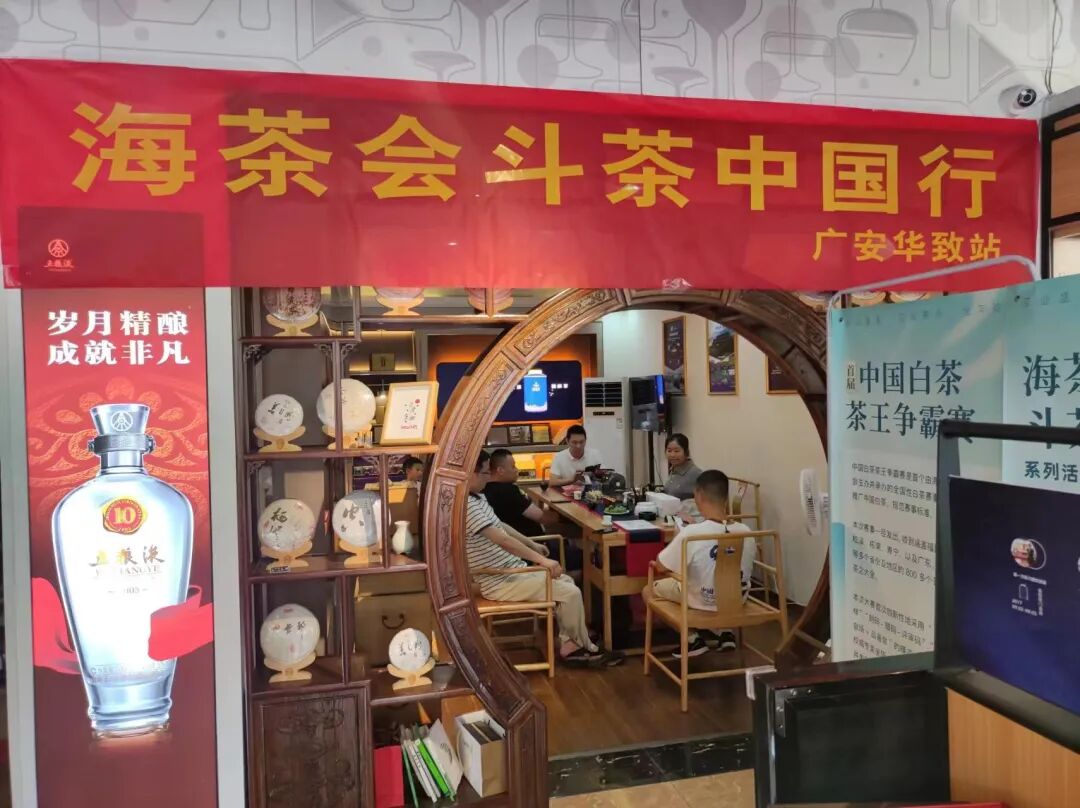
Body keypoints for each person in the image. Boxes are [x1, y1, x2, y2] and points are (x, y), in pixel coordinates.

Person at [467, 450, 618, 666]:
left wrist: (532, 544)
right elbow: (503, 540)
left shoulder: (478, 498)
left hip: (510, 570)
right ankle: (575, 647)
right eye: (484, 473)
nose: (487, 477)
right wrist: (543, 560)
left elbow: (502, 526)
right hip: (499, 579)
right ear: (471, 474)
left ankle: (573, 641)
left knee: (566, 581)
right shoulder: (468, 506)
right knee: (570, 591)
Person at [652, 470, 756, 658]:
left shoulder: (691, 533)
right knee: (715, 580)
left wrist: (678, 537)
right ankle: (725, 632)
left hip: (703, 600)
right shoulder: (746, 531)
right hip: (737, 600)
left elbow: (661, 566)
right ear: (725, 498)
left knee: (650, 590)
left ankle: (692, 639)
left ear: (698, 495)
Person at [484, 449, 559, 537]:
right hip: (532, 541)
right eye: (513, 466)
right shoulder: (508, 491)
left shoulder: (484, 488)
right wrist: (564, 517)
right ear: (500, 470)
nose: (517, 470)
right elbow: (542, 518)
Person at [662, 433, 702, 500]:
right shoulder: (673, 469)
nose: (672, 455)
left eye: (676, 451)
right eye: (669, 451)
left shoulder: (696, 474)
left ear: (686, 452)